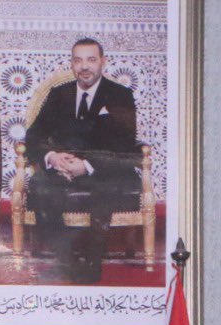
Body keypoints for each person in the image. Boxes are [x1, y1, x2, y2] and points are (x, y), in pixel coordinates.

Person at [22, 37, 140, 283]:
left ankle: (92, 261)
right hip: (63, 168)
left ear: (102, 62)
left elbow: (124, 145)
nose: (84, 66)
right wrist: (52, 157)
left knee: (106, 184)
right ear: (72, 64)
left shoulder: (120, 95)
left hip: (103, 171)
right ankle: (66, 261)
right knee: (41, 185)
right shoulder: (58, 94)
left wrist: (86, 166)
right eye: (78, 60)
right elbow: (33, 135)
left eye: (91, 60)